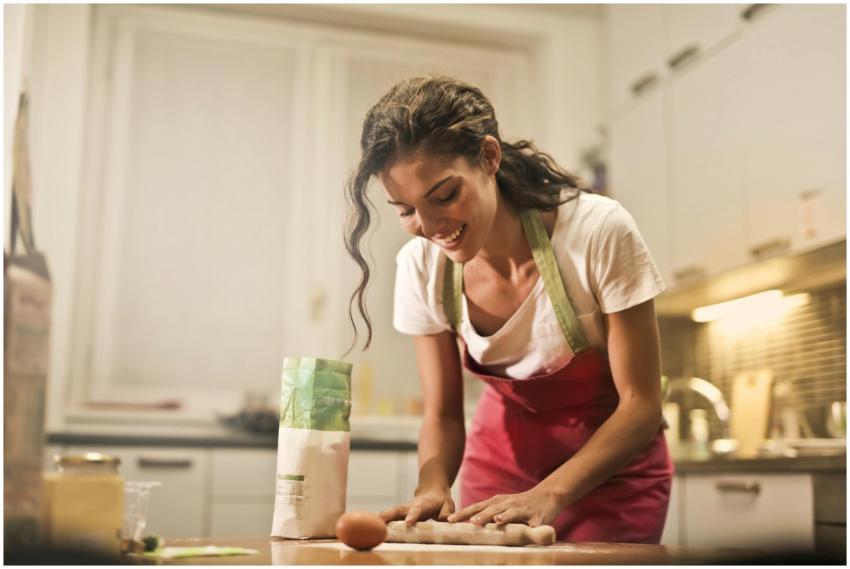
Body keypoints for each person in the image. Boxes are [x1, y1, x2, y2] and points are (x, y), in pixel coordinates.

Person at [344, 75, 673, 543]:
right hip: (497, 478)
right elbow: (442, 414)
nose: (431, 225)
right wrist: (432, 485)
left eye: (443, 196)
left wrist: (549, 494)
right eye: (406, 210)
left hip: (612, 481)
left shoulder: (597, 233)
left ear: (489, 157)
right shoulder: (421, 267)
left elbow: (641, 405)